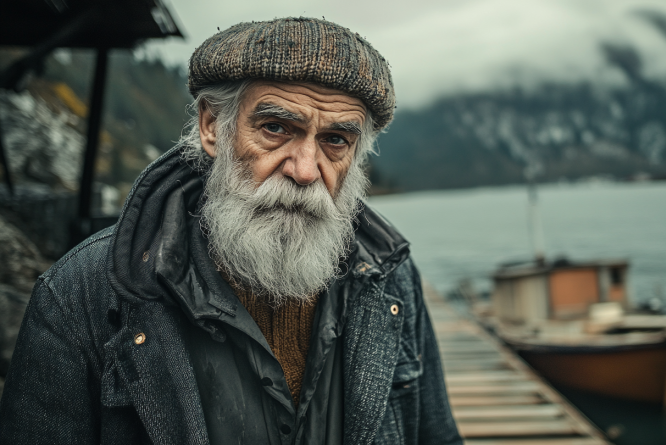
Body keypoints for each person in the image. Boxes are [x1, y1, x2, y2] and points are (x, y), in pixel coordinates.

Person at [0, 17, 462, 445]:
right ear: (211, 127)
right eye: (276, 128)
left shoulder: (390, 280)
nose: (305, 170)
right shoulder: (80, 294)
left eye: (335, 140)